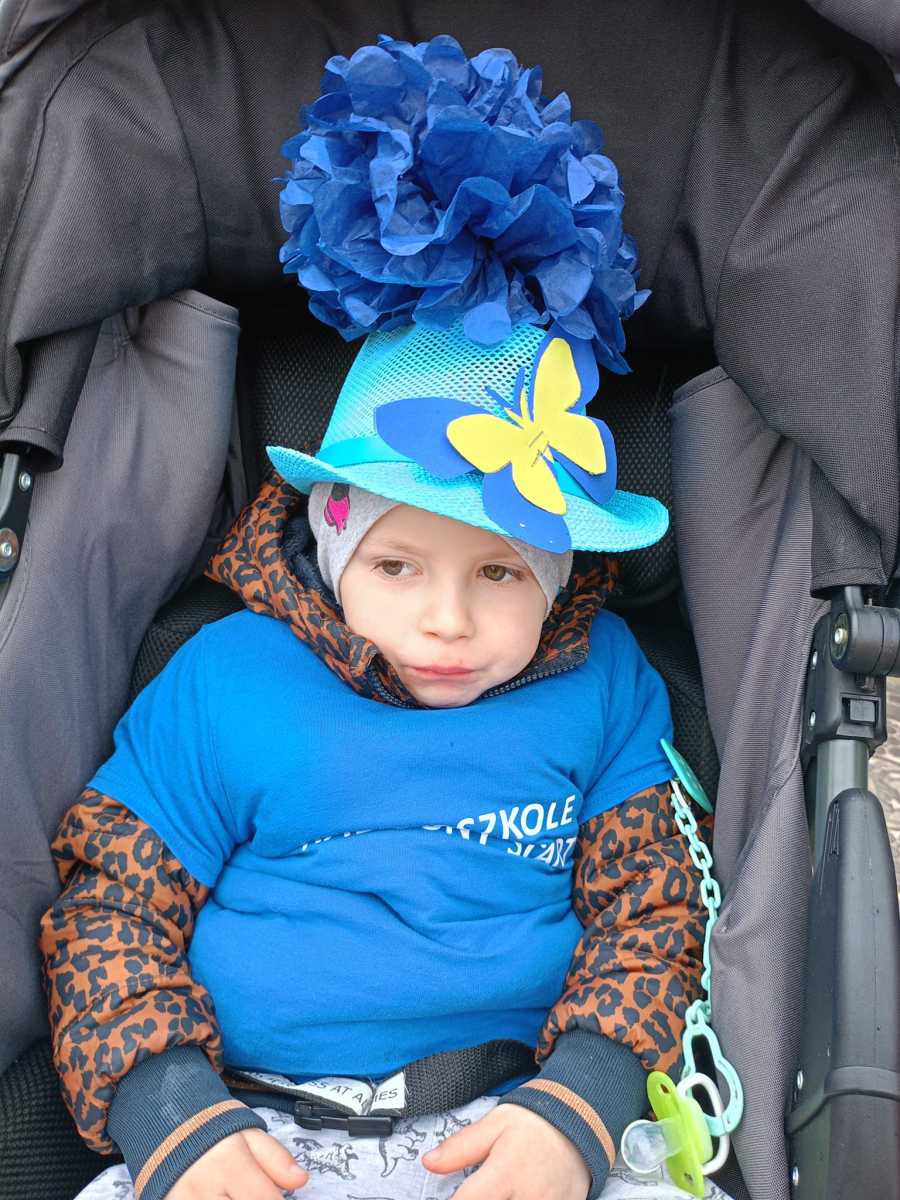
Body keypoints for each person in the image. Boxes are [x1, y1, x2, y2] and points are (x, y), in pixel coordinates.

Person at [39, 34, 725, 1200]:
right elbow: (114, 904)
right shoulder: (226, 677)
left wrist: (588, 1101)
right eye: (398, 566)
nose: (446, 621)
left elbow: (655, 908)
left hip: (522, 1109)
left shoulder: (605, 681)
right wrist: (167, 1110)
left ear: (558, 576)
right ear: (331, 544)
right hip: (247, 1119)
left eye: (500, 574)